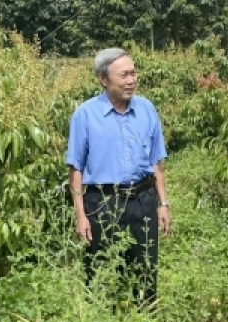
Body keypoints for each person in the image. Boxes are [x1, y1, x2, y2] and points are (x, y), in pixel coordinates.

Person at [66, 48, 171, 304]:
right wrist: (81, 215)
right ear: (103, 79)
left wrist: (163, 204)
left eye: (133, 73)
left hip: (142, 199)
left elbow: (157, 162)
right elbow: (75, 169)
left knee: (146, 269)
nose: (131, 80)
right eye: (123, 75)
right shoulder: (85, 115)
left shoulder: (147, 109)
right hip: (102, 202)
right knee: (100, 271)